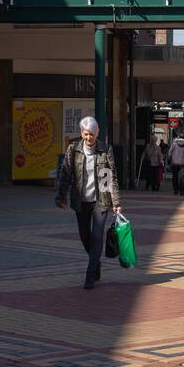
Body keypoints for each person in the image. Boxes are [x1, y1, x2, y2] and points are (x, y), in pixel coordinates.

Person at [55, 116, 122, 289]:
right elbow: (66, 175)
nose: (88, 138)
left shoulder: (105, 149)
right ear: (81, 133)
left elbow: (111, 176)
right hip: (81, 201)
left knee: (97, 236)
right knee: (85, 236)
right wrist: (60, 197)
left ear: (97, 133)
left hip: (100, 200)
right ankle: (96, 261)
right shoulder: (73, 149)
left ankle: (90, 274)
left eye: (91, 134)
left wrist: (116, 201)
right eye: (85, 134)